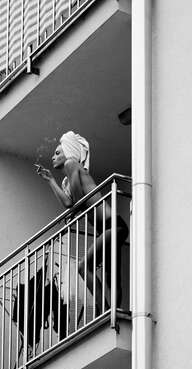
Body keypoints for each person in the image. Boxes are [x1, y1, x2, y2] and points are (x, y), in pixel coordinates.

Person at [35, 131, 128, 314]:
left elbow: (78, 200)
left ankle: (105, 311)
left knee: (84, 267)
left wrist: (73, 212)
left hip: (112, 225)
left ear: (69, 152)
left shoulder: (72, 164)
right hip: (110, 228)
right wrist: (50, 180)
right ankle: (112, 312)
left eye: (57, 152)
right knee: (110, 274)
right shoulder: (66, 180)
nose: (54, 157)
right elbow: (70, 203)